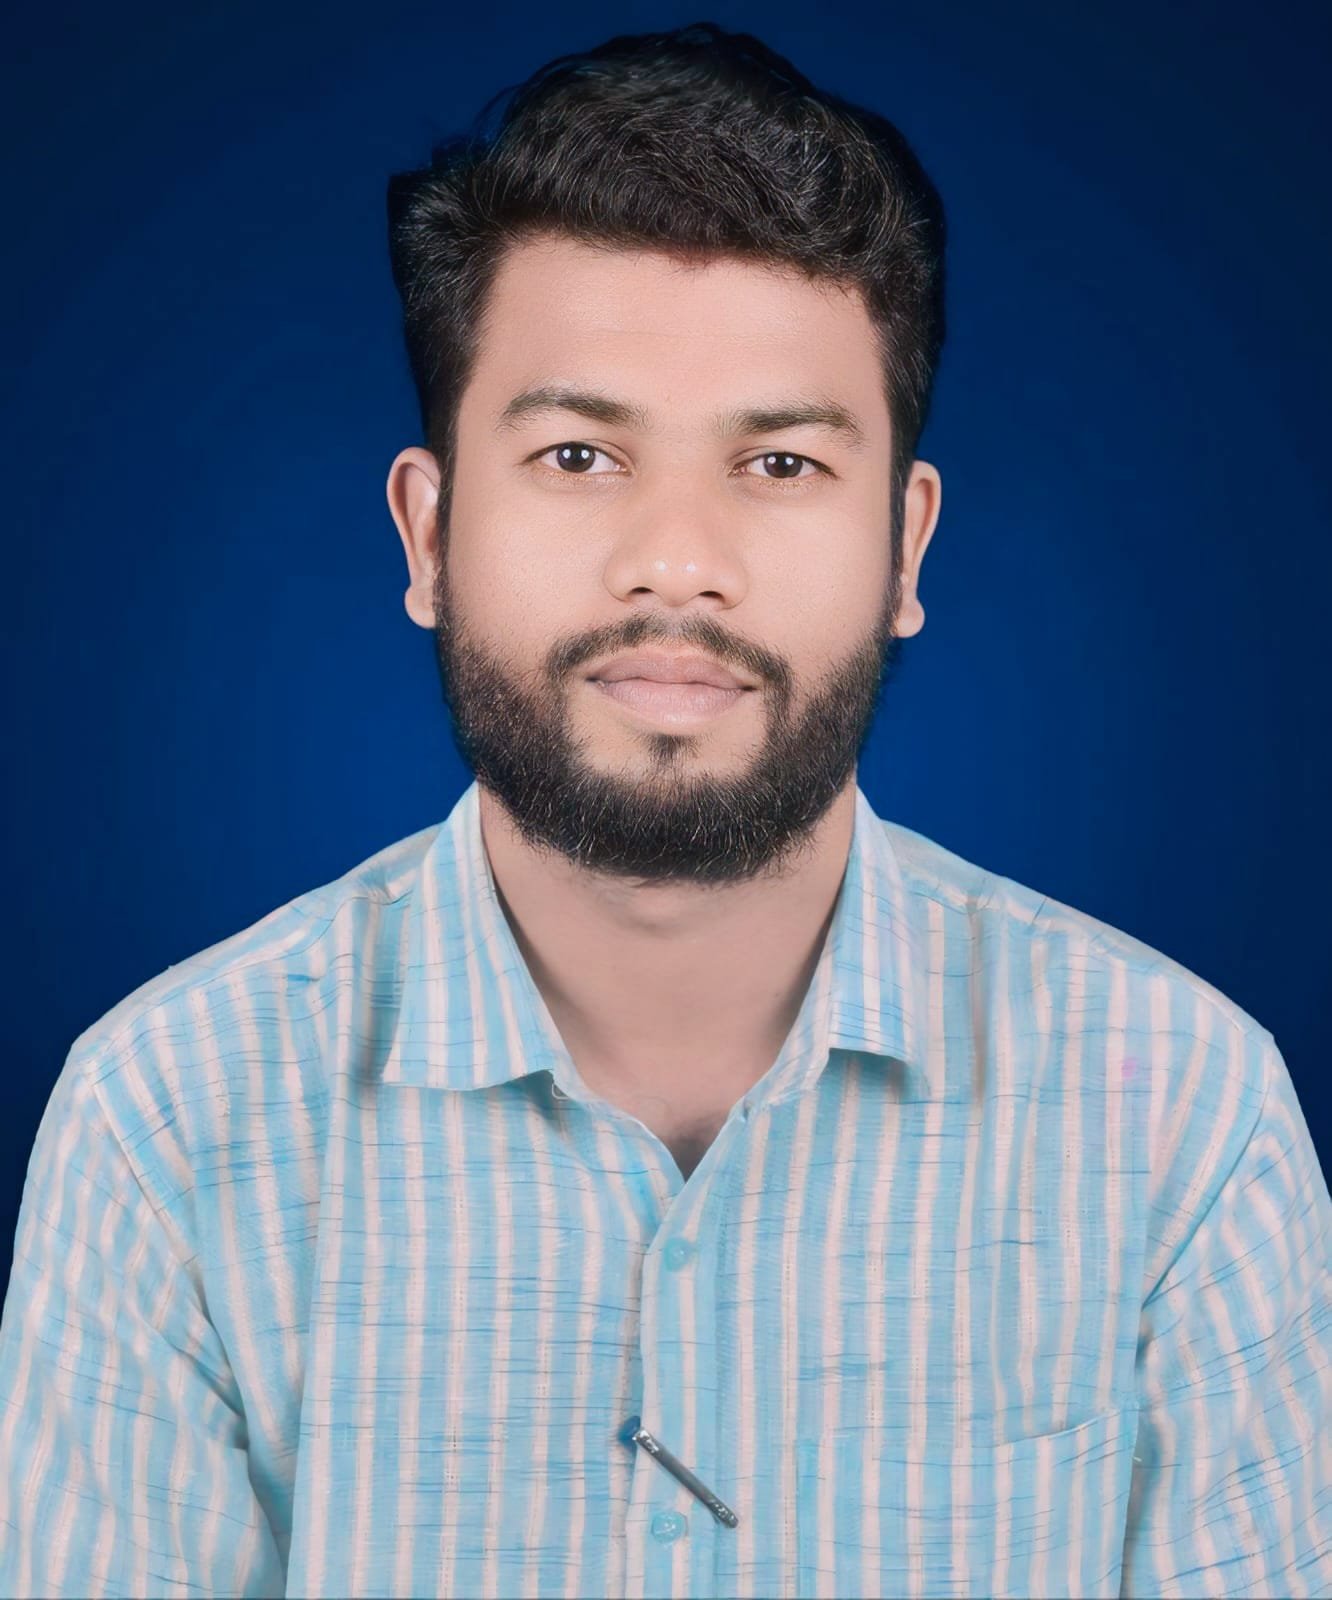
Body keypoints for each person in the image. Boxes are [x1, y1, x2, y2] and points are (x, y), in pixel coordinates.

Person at [2, 20, 1329, 1600]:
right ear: (428, 534)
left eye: (780, 463)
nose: (678, 561)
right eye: (579, 454)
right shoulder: (167, 1124)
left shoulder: (1182, 1119)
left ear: (907, 549)